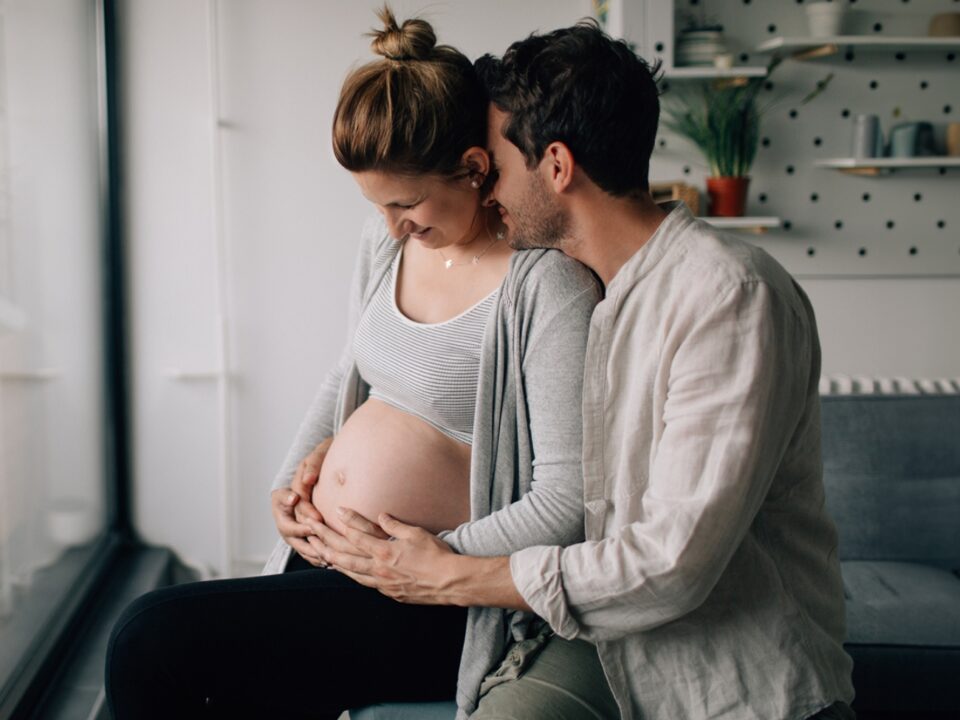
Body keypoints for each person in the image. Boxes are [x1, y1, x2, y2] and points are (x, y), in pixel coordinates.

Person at [313, 21, 857, 720]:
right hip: (594, 639)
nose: (485, 187)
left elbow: (673, 564)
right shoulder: (588, 289)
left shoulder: (725, 296)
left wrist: (451, 572)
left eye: (497, 168)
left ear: (559, 167)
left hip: (723, 670)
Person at [105, 9, 600, 719]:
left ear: (474, 167)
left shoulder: (544, 286)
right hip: (343, 568)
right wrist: (288, 488)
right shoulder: (388, 244)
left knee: (148, 639)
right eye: (380, 205)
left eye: (407, 203)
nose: (395, 225)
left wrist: (430, 559)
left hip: (434, 601)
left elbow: (565, 503)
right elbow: (349, 372)